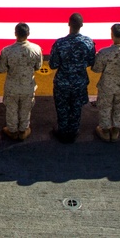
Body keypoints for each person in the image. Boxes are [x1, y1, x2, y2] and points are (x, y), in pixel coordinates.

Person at [48, 13, 95, 143]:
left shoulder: (60, 43)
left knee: (62, 108)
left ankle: (62, 131)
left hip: (62, 82)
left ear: (69, 24)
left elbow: (52, 64)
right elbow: (91, 61)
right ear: (81, 25)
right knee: (76, 108)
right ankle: (73, 132)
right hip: (79, 82)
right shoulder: (88, 42)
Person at [0, 22, 43, 141]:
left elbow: (1, 69)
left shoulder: (7, 51)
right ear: (28, 34)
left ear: (15, 34)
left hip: (12, 86)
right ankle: (23, 130)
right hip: (28, 85)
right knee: (26, 109)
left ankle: (12, 130)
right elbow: (38, 67)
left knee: (11, 109)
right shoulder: (36, 49)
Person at [92, 23, 120, 143]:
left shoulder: (104, 52)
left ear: (112, 35)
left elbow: (96, 69)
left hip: (107, 85)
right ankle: (115, 130)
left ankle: (105, 131)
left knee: (105, 107)